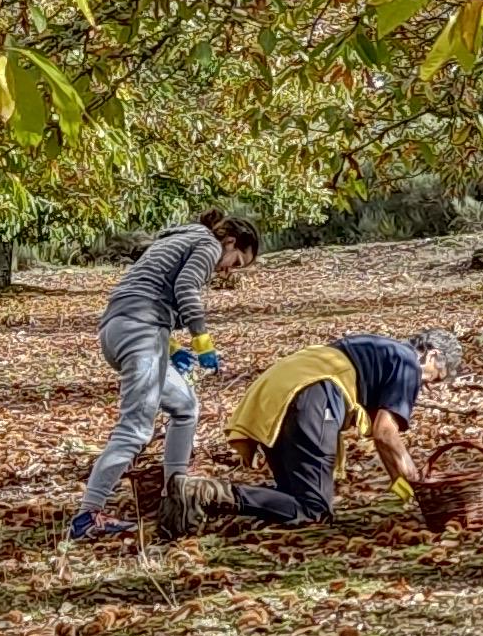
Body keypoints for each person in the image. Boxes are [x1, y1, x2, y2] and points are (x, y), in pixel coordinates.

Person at [69, 213, 262, 542]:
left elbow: (148, 291)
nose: (229, 269)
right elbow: (185, 288)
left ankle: (176, 494)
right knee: (136, 428)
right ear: (230, 242)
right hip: (140, 332)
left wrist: (171, 348)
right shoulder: (207, 245)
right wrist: (203, 344)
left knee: (185, 406)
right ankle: (87, 516)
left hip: (120, 329)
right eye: (237, 260)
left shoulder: (176, 239)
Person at [219, 329, 459, 526]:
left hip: (275, 388)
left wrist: (404, 490)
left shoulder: (384, 351)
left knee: (292, 496)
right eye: (435, 377)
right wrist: (418, 489)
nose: (426, 386)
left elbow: (382, 438)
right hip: (311, 393)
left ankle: (205, 498)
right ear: (431, 356)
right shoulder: (408, 363)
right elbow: (385, 433)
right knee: (313, 510)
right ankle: (210, 494)